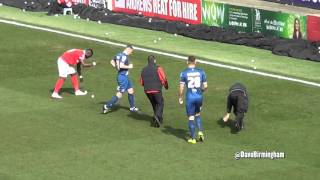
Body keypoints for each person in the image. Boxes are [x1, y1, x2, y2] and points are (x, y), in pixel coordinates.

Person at [179, 56, 208, 144]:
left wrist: (180, 97)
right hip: (199, 97)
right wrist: (200, 92)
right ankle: (200, 132)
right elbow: (206, 86)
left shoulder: (183, 73)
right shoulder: (201, 72)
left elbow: (181, 87)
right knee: (198, 114)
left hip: (190, 98)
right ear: (195, 61)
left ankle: (192, 138)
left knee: (191, 117)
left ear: (187, 62)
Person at [103, 45, 139, 113]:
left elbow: (112, 61)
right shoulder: (124, 56)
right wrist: (129, 66)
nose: (131, 53)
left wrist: (116, 67)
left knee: (131, 90)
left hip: (125, 77)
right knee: (120, 93)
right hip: (122, 77)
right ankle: (107, 106)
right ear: (128, 49)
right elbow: (121, 66)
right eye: (131, 51)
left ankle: (132, 107)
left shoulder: (118, 54)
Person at [140, 55, 169, 127]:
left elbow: (141, 82)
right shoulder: (158, 68)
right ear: (154, 60)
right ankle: (157, 116)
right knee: (160, 103)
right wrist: (166, 86)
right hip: (156, 89)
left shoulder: (143, 69)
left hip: (147, 90)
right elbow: (163, 79)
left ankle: (159, 118)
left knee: (154, 104)